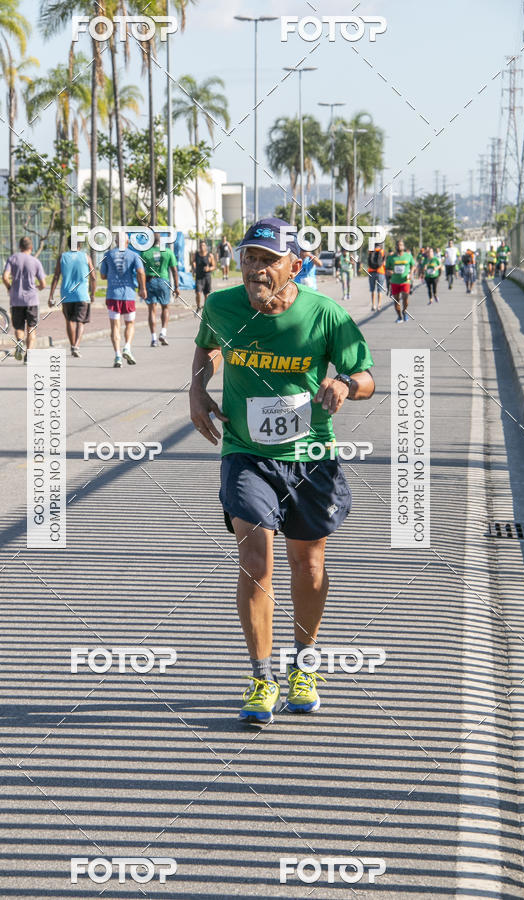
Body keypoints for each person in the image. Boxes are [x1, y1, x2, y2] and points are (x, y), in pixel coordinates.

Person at [189, 217, 375, 724]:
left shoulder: (325, 314)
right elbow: (207, 346)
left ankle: (303, 665)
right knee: (255, 559)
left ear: (295, 265)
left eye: (268, 260)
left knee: (308, 565)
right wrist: (197, 388)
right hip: (245, 452)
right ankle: (260, 677)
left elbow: (365, 376)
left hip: (310, 457)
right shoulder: (221, 306)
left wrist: (345, 385)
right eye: (249, 257)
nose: (255, 268)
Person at [100, 232, 146, 368]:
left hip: (112, 295)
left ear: (115, 241)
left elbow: (102, 275)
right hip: (128, 295)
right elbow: (141, 272)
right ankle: (127, 347)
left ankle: (118, 355)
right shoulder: (134, 255)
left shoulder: (107, 255)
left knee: (115, 326)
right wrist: (143, 289)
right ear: (127, 242)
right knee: (130, 323)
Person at [48, 235, 96, 357]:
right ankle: (76, 346)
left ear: (68, 244)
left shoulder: (62, 257)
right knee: (80, 322)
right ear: (80, 245)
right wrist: (93, 294)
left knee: (69, 320)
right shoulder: (86, 257)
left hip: (66, 294)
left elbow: (56, 276)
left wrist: (51, 295)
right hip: (82, 295)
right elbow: (93, 277)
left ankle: (72, 345)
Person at [2, 236, 46, 364]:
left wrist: (9, 287)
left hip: (16, 299)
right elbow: (43, 284)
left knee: (18, 327)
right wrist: (38, 287)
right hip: (32, 300)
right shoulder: (35, 261)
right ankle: (29, 355)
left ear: (20, 246)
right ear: (31, 247)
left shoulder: (12, 259)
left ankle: (20, 342)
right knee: (31, 328)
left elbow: (5, 277)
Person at [140, 233, 179, 347]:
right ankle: (163, 332)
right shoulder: (168, 252)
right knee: (165, 307)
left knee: (152, 310)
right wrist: (176, 287)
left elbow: (140, 271)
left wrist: (141, 287)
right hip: (163, 281)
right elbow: (174, 270)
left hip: (149, 281)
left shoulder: (145, 253)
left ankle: (153, 339)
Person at [385, 239, 415, 323]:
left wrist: (411, 273)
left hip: (405, 281)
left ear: (403, 246)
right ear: (396, 247)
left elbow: (413, 265)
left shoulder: (408, 256)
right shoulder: (391, 257)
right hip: (394, 281)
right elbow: (386, 269)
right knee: (396, 301)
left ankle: (404, 311)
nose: (399, 246)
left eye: (401, 245)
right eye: (398, 245)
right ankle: (399, 317)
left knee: (405, 298)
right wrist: (389, 272)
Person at [192, 241, 216, 312]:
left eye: (203, 245)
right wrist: (194, 268)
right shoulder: (196, 254)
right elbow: (193, 262)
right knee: (198, 293)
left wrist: (209, 269)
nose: (202, 247)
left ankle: (205, 309)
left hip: (207, 277)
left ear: (206, 247)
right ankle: (198, 306)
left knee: (206, 295)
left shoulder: (210, 255)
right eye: (200, 246)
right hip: (199, 277)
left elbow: (214, 266)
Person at [367, 242, 386, 312]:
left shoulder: (370, 251)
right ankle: (379, 305)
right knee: (379, 290)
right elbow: (384, 263)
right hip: (380, 272)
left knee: (372, 290)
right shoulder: (382, 251)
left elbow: (368, 261)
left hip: (371, 272)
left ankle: (373, 305)